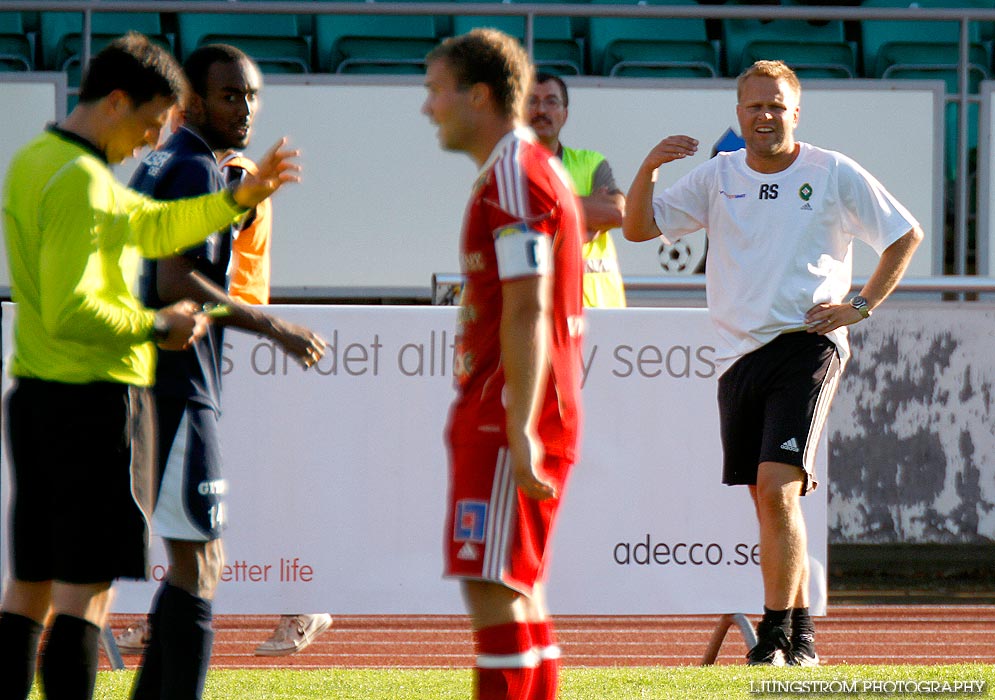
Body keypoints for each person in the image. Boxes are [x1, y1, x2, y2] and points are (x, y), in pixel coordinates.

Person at [0, 33, 299, 700]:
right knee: (109, 586)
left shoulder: (55, 164)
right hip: (126, 391)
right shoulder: (124, 173)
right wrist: (179, 323)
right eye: (150, 116)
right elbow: (140, 290)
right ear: (121, 102)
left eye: (251, 96)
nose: (151, 135)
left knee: (39, 584)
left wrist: (238, 201)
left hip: (48, 392)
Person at [623, 59, 923, 667]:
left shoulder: (831, 171)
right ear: (739, 114)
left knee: (778, 486)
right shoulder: (717, 176)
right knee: (770, 499)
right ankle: (802, 632)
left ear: (796, 112)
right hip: (739, 356)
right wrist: (649, 168)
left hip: (807, 344)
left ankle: (775, 636)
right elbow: (637, 228)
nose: (765, 116)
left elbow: (904, 233)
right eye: (755, 106)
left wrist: (859, 305)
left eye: (777, 105)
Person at [126, 44, 326, 699]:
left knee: (192, 560)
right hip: (175, 387)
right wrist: (275, 326)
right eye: (229, 95)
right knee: (201, 561)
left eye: (251, 95)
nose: (244, 109)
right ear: (193, 99)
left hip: (150, 383)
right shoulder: (191, 168)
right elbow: (174, 278)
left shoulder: (164, 163)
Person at [422, 29, 584, 700]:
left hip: (504, 411)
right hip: (517, 405)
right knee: (521, 593)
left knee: (492, 593)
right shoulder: (520, 171)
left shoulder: (515, 177)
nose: (428, 107)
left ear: (478, 95)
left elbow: (527, 307)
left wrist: (517, 426)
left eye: (435, 90)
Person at [526, 72, 627, 308]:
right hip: (539, 315)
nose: (541, 110)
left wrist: (547, 211)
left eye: (551, 101)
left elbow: (616, 213)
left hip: (602, 312)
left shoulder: (591, 162)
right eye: (531, 101)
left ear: (565, 114)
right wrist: (588, 218)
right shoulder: (508, 168)